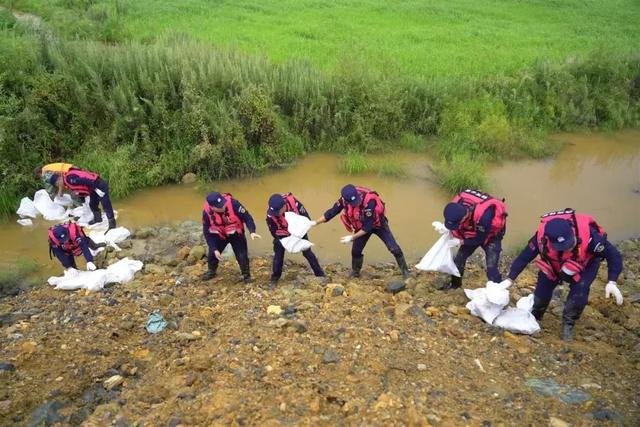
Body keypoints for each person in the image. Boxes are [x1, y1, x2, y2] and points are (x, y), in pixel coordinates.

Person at [500, 208, 623, 341]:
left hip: (584, 264)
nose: (568, 248)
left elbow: (614, 255)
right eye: (563, 246)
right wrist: (510, 279)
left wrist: (612, 281)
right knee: (542, 290)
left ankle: (568, 323)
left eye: (569, 244)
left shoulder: (592, 239)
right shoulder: (541, 238)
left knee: (580, 292)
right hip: (554, 264)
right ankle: (536, 314)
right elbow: (524, 257)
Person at [314, 184, 410, 279]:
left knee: (394, 248)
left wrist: (352, 238)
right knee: (356, 251)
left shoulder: (369, 201)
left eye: (356, 201)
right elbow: (331, 212)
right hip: (361, 226)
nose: (356, 204)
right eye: (353, 203)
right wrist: (314, 223)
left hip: (378, 225)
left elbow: (368, 227)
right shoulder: (343, 200)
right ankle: (356, 272)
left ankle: (405, 272)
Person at [440, 189, 508, 290]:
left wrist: (461, 241)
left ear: (464, 217)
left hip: (490, 235)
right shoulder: (455, 207)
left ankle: (498, 292)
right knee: (458, 260)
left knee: (491, 267)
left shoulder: (484, 216)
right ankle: (455, 286)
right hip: (471, 232)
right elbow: (453, 222)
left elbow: (480, 239)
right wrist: (446, 229)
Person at [266, 193, 325, 288]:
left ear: (284, 206)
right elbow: (272, 229)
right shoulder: (272, 212)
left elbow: (307, 220)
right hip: (282, 233)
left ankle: (320, 274)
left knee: (307, 252)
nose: (277, 214)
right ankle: (275, 278)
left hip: (298, 232)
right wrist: (284, 240)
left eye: (279, 211)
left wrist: (297, 233)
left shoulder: (295, 204)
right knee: (278, 254)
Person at [202, 191, 261, 283]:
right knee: (213, 254)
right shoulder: (206, 213)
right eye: (219, 206)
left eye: (223, 203)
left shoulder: (233, 203)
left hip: (236, 234)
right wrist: (214, 248)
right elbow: (207, 232)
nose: (223, 206)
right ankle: (211, 271)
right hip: (220, 235)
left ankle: (246, 275)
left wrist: (252, 231)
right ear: (212, 207)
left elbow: (247, 217)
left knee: (242, 256)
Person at [48, 168, 116, 229]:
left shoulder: (69, 179)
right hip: (92, 188)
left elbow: (85, 181)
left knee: (105, 204)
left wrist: (97, 189)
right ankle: (98, 219)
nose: (59, 186)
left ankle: (112, 223)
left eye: (57, 184)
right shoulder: (67, 180)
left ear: (59, 180)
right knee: (92, 204)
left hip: (97, 185)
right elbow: (80, 187)